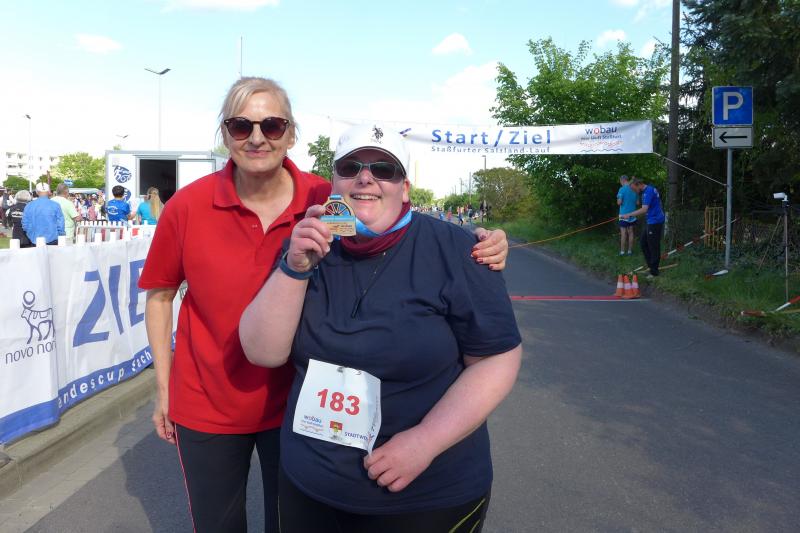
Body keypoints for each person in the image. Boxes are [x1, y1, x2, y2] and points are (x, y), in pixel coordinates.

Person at [137, 77, 510, 533]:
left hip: (287, 404)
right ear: (225, 133)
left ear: (291, 134)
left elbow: (388, 230)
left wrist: (477, 246)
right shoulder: (188, 205)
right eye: (241, 126)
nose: (257, 138)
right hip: (211, 399)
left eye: (272, 126)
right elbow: (161, 295)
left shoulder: (325, 198)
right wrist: (164, 387)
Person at [239, 124, 522, 533]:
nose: (365, 178)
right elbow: (262, 352)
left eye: (383, 169)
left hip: (424, 495)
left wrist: (426, 440)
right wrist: (294, 267)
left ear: (404, 188)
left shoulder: (459, 249)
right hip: (310, 485)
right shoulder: (309, 244)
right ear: (334, 183)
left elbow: (496, 360)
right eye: (350, 167)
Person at [622, 177, 666, 277]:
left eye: (634, 189)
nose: (634, 191)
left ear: (638, 184)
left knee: (653, 246)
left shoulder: (648, 192)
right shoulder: (646, 191)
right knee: (643, 243)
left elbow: (644, 209)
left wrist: (629, 215)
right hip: (651, 221)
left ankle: (654, 272)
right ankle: (651, 267)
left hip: (655, 221)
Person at [616, 174, 638, 256]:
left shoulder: (621, 189)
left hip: (623, 215)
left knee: (623, 233)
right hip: (632, 215)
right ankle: (629, 252)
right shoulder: (634, 189)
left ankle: (622, 252)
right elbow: (637, 202)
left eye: (620, 181)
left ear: (622, 180)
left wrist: (618, 200)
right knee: (631, 233)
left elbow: (619, 202)